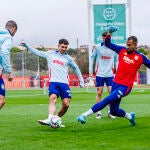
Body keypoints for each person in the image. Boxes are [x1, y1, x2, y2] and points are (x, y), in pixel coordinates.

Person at [77, 26, 150, 126]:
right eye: (127, 44)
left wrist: (84, 114)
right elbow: (108, 44)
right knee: (113, 111)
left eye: (129, 45)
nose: (127, 46)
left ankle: (84, 115)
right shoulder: (122, 50)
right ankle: (130, 116)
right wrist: (109, 33)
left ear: (135, 45)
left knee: (108, 99)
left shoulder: (141, 57)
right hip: (116, 83)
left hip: (125, 87)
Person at [21, 39, 84, 127]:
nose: (64, 49)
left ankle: (55, 119)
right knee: (53, 98)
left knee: (66, 104)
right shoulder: (50, 54)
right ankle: (50, 118)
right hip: (53, 82)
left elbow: (76, 68)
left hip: (64, 83)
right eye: (62, 47)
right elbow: (37, 53)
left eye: (65, 47)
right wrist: (27, 45)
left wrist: (81, 80)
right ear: (58, 46)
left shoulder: (68, 58)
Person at [89, 32, 117, 119]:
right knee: (99, 92)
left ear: (110, 38)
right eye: (104, 38)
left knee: (111, 93)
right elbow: (92, 57)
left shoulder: (113, 48)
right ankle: (99, 112)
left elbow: (116, 59)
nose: (105, 39)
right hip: (100, 73)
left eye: (107, 38)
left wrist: (118, 70)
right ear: (102, 38)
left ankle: (110, 111)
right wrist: (91, 70)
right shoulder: (97, 47)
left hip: (110, 74)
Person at [0, 20, 17, 109]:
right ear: (13, 29)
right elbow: (4, 52)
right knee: (1, 101)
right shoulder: (7, 37)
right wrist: (9, 72)